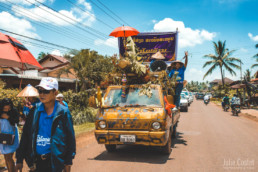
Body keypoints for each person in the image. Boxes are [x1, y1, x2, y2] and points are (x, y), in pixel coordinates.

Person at [15, 77, 76, 172]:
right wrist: (19, 159)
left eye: (46, 91)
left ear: (55, 93)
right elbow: (26, 136)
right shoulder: (34, 111)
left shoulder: (63, 112)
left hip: (55, 163)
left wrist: (68, 162)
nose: (42, 94)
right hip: (36, 163)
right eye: (40, 91)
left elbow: (70, 138)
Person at [0, 98, 20, 172]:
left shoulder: (13, 111)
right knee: (6, 157)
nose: (7, 110)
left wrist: (8, 117)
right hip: (2, 136)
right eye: (5, 108)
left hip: (11, 136)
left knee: (9, 157)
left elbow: (17, 121)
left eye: (9, 108)